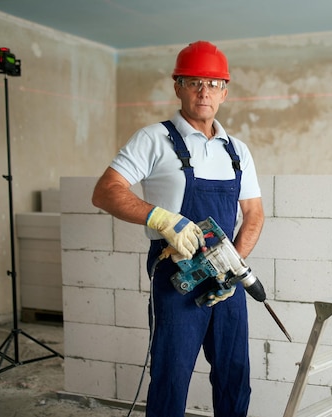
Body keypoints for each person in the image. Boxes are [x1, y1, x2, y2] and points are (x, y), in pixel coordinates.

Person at [91, 40, 264, 417]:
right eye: (194, 81)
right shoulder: (153, 139)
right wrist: (161, 218)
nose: (205, 91)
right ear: (178, 87)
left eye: (214, 83)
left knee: (235, 374)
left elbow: (253, 214)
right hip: (175, 275)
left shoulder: (237, 151)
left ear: (225, 91)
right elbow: (105, 192)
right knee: (171, 376)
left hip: (227, 277)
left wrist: (230, 263)